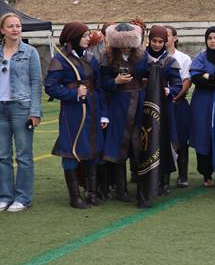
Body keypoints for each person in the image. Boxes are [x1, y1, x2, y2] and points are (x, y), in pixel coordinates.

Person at [45, 22, 109, 209]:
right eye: (84, 36)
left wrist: (104, 114)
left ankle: (91, 193)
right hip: (73, 111)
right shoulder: (60, 59)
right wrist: (73, 94)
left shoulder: (91, 57)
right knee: (71, 150)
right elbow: (51, 86)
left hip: (94, 107)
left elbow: (99, 86)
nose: (88, 39)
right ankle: (75, 197)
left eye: (89, 35)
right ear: (73, 37)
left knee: (93, 149)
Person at [100, 22, 148, 203]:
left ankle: (142, 186)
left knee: (139, 144)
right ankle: (120, 190)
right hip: (117, 104)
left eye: (129, 43)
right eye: (122, 44)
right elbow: (102, 83)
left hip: (139, 102)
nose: (126, 47)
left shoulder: (142, 55)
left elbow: (150, 73)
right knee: (120, 145)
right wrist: (115, 82)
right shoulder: (107, 56)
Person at [0, 14, 43, 212]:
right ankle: (5, 196)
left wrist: (35, 111)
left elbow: (36, 83)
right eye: (11, 26)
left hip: (21, 107)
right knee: (2, 156)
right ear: (2, 30)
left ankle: (23, 197)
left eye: (18, 26)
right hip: (1, 108)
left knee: (23, 155)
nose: (16, 29)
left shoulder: (30, 52)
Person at [144, 25, 184, 198]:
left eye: (161, 41)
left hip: (165, 108)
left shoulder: (170, 61)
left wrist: (171, 91)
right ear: (149, 40)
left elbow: (178, 83)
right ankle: (147, 178)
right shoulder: (140, 58)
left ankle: (165, 181)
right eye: (154, 41)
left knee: (165, 141)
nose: (157, 44)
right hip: (145, 108)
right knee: (147, 140)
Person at [189, 26, 215, 187]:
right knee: (203, 135)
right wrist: (213, 78)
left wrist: (209, 77)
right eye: (209, 38)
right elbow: (196, 78)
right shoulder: (201, 57)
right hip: (202, 103)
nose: (212, 41)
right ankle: (206, 175)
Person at [165, 26, 193, 188]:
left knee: (182, 139)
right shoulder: (153, 57)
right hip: (160, 104)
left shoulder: (183, 58)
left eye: (167, 36)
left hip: (178, 103)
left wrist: (175, 96)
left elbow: (186, 81)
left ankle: (183, 175)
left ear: (175, 38)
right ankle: (164, 176)